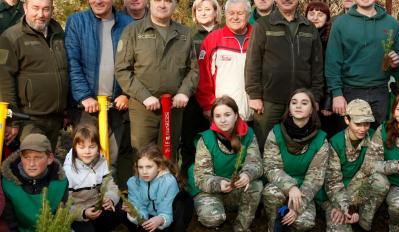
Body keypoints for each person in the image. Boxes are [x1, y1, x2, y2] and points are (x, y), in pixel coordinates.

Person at [115, 0, 198, 161]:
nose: (162, 5)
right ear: (149, 2)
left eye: (168, 1)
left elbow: (194, 69)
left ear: (175, 4)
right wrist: (145, 96)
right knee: (143, 158)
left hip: (174, 107)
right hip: (143, 107)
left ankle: (168, 189)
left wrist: (184, 92)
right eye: (158, 0)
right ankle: (142, 190)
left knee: (168, 157)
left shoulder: (184, 33)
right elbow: (122, 70)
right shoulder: (133, 31)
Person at [65, 0, 133, 182]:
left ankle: (112, 202)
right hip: (88, 107)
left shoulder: (128, 24)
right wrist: (84, 96)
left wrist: (127, 94)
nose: (98, 0)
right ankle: (85, 205)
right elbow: (72, 61)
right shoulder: (77, 21)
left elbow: (136, 63)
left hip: (118, 104)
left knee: (113, 159)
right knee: (86, 157)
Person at [245, 0, 324, 150]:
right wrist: (254, 95)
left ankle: (292, 176)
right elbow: (253, 62)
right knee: (264, 144)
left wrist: (316, 96)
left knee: (297, 145)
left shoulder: (309, 28)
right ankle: (263, 177)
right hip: (269, 101)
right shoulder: (263, 25)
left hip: (301, 101)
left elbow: (317, 66)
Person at [325, 0, 399, 130]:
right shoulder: (341, 24)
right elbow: (333, 62)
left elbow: (397, 62)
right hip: (350, 91)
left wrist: (396, 62)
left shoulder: (391, 23)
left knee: (377, 139)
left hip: (380, 91)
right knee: (352, 139)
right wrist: (337, 94)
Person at [0, 0, 68, 150]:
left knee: (46, 162)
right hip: (27, 119)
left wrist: (66, 111)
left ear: (52, 9)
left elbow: (65, 72)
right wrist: (12, 120)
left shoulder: (59, 33)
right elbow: (4, 81)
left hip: (55, 118)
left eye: (46, 9)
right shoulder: (11, 38)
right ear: (25, 8)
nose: (40, 14)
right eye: (35, 8)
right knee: (35, 156)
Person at [187, 95, 263, 231]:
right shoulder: (206, 139)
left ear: (235, 115)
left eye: (227, 114)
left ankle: (241, 227)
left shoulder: (248, 134)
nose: (222, 120)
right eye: (218, 116)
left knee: (256, 184)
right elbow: (201, 177)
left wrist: (247, 175)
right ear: (213, 118)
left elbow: (255, 162)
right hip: (210, 190)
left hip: (236, 187)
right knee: (213, 218)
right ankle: (213, 209)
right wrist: (219, 184)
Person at [262, 88, 328, 231]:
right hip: (280, 186)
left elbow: (315, 178)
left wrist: (297, 207)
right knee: (271, 193)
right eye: (294, 102)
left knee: (304, 223)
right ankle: (273, 226)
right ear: (289, 108)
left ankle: (286, 214)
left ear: (312, 110)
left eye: (304, 103)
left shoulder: (321, 139)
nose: (298, 106)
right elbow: (270, 167)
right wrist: (290, 187)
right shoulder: (276, 132)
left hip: (304, 189)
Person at [324, 99, 389, 231]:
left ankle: (363, 225)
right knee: (338, 227)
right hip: (337, 194)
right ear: (347, 120)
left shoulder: (373, 137)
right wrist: (345, 206)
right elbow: (332, 182)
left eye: (366, 124)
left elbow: (372, 168)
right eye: (358, 124)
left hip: (360, 188)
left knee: (381, 181)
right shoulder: (335, 143)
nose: (363, 129)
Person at [181, 0, 222, 176]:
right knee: (190, 141)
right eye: (199, 10)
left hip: (219, 96)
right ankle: (188, 179)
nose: (203, 13)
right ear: (194, 14)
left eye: (208, 9)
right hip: (192, 97)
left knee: (216, 140)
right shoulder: (187, 35)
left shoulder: (224, 33)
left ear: (215, 12)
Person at [196, 0, 253, 122]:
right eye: (231, 13)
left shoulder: (258, 37)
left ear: (248, 15)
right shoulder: (212, 39)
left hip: (255, 111)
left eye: (240, 13)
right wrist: (208, 106)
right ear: (225, 14)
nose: (235, 17)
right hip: (223, 114)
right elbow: (203, 76)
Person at [63, 124, 125, 232]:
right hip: (77, 211)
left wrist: (110, 198)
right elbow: (63, 205)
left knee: (119, 211)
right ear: (75, 148)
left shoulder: (100, 160)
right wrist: (83, 213)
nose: (87, 151)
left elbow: (110, 184)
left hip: (95, 204)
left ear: (98, 147)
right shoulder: (68, 171)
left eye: (92, 147)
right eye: (82, 147)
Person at [2, 134, 68, 232]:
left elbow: (61, 218)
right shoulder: (8, 183)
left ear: (49, 158)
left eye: (37, 157)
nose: (31, 163)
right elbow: (9, 222)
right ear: (21, 157)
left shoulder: (60, 183)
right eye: (27, 157)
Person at [123, 144, 193, 231]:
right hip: (148, 218)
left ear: (159, 167)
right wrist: (133, 212)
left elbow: (167, 210)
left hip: (168, 218)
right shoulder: (133, 182)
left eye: (149, 167)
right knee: (122, 205)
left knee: (184, 198)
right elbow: (140, 209)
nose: (144, 172)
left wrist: (160, 219)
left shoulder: (168, 181)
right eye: (140, 167)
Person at [364, 94, 399, 231]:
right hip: (390, 180)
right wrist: (396, 166)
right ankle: (366, 222)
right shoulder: (384, 130)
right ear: (393, 111)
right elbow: (371, 163)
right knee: (378, 181)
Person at [305, 0, 338, 138]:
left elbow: (334, 69)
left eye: (320, 14)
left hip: (325, 98)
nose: (315, 17)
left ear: (327, 18)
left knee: (324, 134)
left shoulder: (332, 39)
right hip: (304, 94)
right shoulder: (301, 36)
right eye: (311, 13)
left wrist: (328, 101)